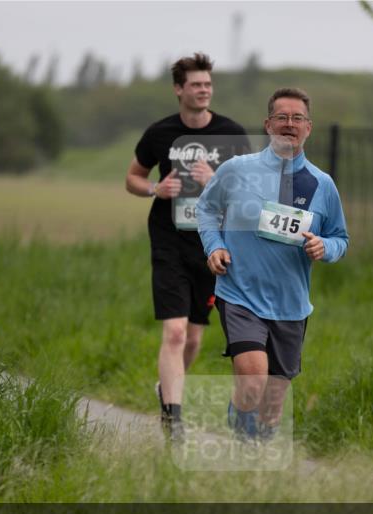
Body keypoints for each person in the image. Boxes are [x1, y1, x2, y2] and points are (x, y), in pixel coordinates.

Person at [196, 88, 348, 441]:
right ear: (268, 124)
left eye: (297, 118)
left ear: (308, 127)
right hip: (240, 292)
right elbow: (206, 208)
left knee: (273, 404)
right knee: (253, 379)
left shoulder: (322, 184)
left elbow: (341, 238)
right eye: (282, 117)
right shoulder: (237, 169)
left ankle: (258, 447)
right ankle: (243, 440)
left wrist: (325, 246)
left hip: (290, 303)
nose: (289, 124)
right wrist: (214, 246)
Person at [125, 53, 247, 442]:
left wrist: (217, 181)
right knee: (175, 333)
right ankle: (172, 418)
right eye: (196, 84)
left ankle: (166, 387)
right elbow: (132, 177)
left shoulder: (231, 134)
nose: (204, 90)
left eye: (208, 84)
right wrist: (155, 189)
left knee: (193, 338)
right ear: (179, 89)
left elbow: (250, 194)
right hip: (169, 241)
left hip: (212, 246)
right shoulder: (160, 133)